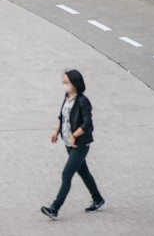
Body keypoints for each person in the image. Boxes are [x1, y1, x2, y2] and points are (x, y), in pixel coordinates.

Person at [41, 69, 104, 220]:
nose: (64, 85)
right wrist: (56, 131)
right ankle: (98, 199)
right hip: (69, 143)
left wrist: (75, 136)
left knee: (66, 174)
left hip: (80, 144)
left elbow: (87, 123)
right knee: (84, 172)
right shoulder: (68, 97)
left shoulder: (83, 101)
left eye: (66, 82)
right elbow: (62, 117)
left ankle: (55, 208)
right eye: (63, 82)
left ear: (75, 83)